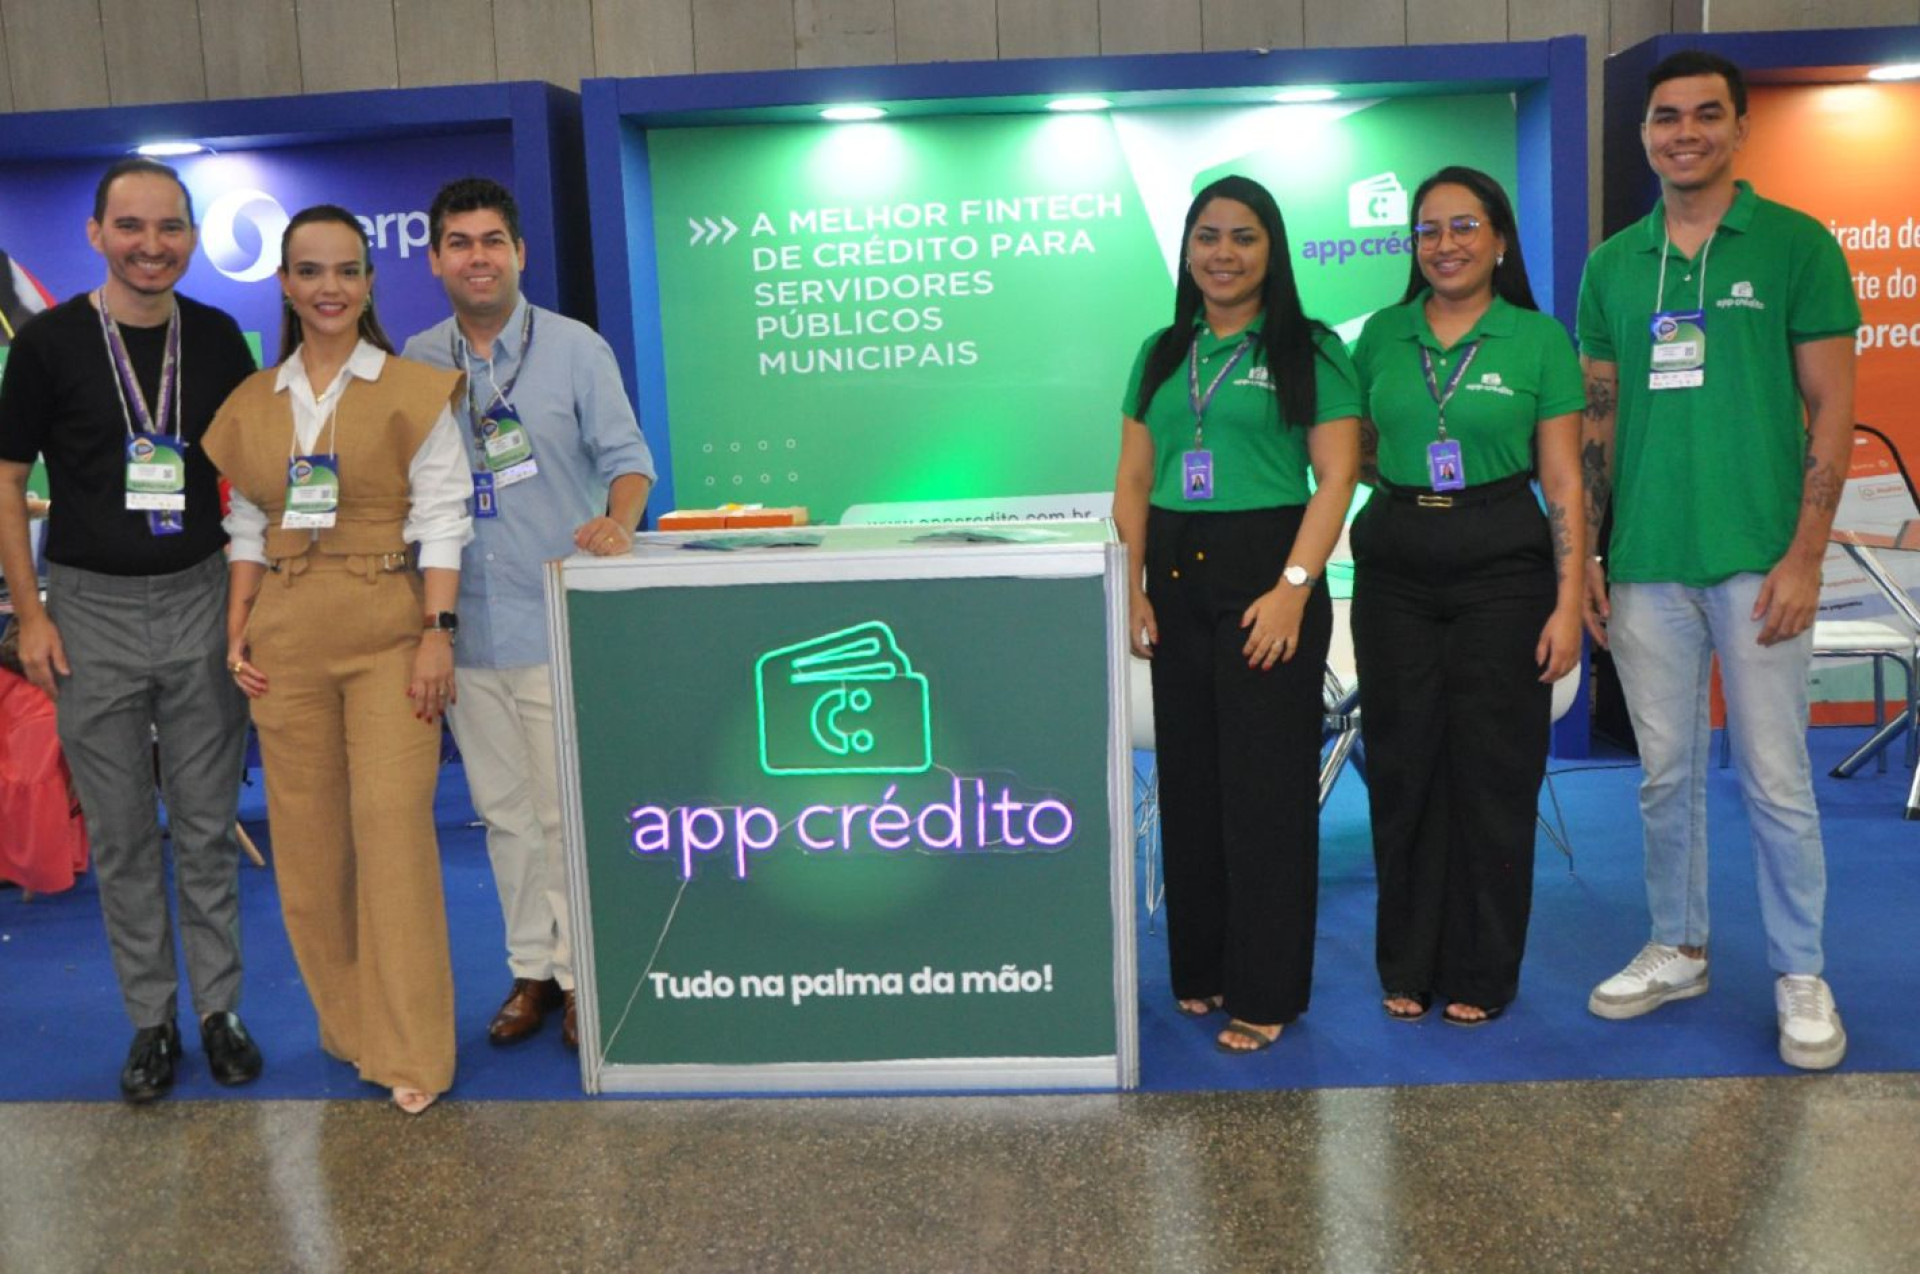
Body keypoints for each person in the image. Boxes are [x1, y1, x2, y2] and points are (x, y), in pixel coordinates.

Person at [1578, 51, 1859, 1069]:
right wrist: (1591, 551)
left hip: (1759, 560)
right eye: (1665, 117)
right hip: (1648, 562)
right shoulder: (1615, 264)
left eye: (1705, 115)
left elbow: (1832, 407)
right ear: (1644, 134)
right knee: (1666, 777)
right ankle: (1679, 946)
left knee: (1776, 779)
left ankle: (1800, 970)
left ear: (1740, 128)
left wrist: (1806, 558)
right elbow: (1598, 422)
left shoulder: (1796, 245)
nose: (1683, 132)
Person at [0, 158, 261, 1102]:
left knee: (206, 825)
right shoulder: (49, 344)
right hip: (89, 612)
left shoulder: (219, 337)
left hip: (199, 599)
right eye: (131, 226)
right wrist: (31, 614)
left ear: (190, 236)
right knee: (119, 835)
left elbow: (254, 476)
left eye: (169, 227)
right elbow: (6, 481)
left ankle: (220, 1010)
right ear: (96, 234)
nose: (152, 245)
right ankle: (152, 1020)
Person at [202, 205, 472, 1113]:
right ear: (285, 284)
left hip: (390, 631)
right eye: (311, 271)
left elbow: (443, 519)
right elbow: (247, 525)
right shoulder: (252, 402)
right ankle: (354, 1030)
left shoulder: (412, 390)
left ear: (369, 282)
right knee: (311, 852)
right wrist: (237, 628)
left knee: (393, 837)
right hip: (285, 639)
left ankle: (414, 1050)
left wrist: (438, 632)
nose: (330, 288)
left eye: (348, 271)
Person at [401, 176, 654, 1052]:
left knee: (562, 811)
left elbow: (629, 460)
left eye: (492, 242)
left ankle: (584, 975)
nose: (477, 258)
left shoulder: (576, 348)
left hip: (555, 620)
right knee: (502, 813)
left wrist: (619, 523)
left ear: (520, 253)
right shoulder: (416, 359)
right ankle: (531, 971)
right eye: (459, 243)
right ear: (435, 259)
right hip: (465, 626)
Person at [1113, 174, 1360, 1054]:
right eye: (1208, 236)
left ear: (1272, 249)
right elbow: (1133, 478)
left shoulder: (1310, 348)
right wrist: (1131, 584)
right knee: (1189, 782)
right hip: (1176, 573)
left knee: (1265, 792)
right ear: (1188, 250)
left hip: (1268, 573)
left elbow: (1336, 477)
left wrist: (1294, 587)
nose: (1224, 254)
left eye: (1244, 237)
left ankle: (1265, 990)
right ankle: (1204, 968)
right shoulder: (1160, 352)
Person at [1350, 167, 1586, 1028]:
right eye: (1428, 229)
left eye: (1463, 226)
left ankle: (1484, 969)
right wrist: (1410, 491)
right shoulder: (1382, 335)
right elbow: (1355, 449)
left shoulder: (1538, 339)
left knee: (1494, 772)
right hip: (1396, 565)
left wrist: (1568, 603)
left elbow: (1564, 480)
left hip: (1502, 565)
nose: (1444, 244)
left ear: (1500, 240)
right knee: (1403, 768)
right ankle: (1409, 962)